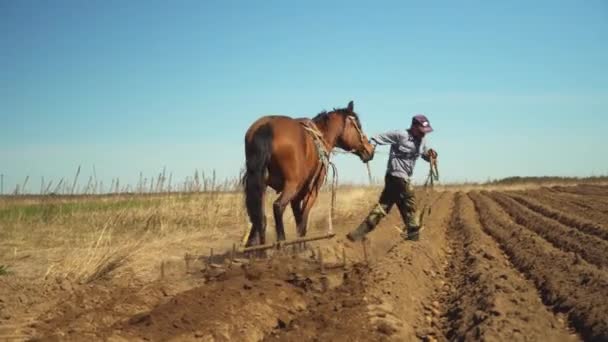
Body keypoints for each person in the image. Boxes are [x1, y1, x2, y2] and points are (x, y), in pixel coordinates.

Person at [346, 114, 437, 242]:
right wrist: (370, 149)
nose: (424, 134)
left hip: (403, 178)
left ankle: (357, 234)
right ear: (414, 127)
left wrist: (431, 155)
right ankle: (413, 236)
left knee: (383, 207)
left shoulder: (422, 140)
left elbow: (425, 153)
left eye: (426, 132)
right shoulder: (400, 135)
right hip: (395, 176)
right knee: (410, 201)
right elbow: (376, 138)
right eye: (422, 131)